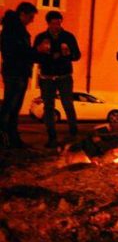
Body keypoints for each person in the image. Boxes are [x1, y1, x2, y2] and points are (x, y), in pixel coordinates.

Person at [33, 10, 82, 148]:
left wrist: (67, 53)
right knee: (48, 107)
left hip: (64, 76)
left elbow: (77, 55)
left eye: (59, 23)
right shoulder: (41, 37)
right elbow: (35, 57)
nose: (57, 26)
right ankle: (52, 137)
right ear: (48, 23)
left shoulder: (68, 37)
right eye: (54, 23)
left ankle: (73, 134)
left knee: (68, 104)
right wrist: (41, 52)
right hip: (47, 77)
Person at [0, 2, 38, 148]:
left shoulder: (15, 29)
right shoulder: (13, 30)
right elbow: (18, 52)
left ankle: (12, 137)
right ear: (22, 14)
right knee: (11, 106)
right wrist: (36, 52)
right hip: (15, 72)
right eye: (31, 16)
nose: (32, 20)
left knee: (13, 106)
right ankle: (6, 138)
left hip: (17, 71)